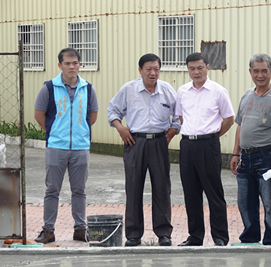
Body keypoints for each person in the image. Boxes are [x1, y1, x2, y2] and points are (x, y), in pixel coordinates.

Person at [107, 53, 180, 247]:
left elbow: (179, 114)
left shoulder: (167, 90)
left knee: (162, 189)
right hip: (135, 142)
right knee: (133, 188)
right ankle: (133, 234)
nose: (153, 73)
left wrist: (173, 131)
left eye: (156, 69)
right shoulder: (129, 89)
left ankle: (164, 233)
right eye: (148, 69)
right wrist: (120, 128)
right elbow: (112, 110)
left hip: (159, 142)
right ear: (140, 70)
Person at [33, 48, 99, 244]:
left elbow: (92, 116)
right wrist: (55, 132)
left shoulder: (87, 88)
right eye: (67, 63)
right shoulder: (49, 88)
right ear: (59, 65)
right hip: (56, 147)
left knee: (79, 190)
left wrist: (80, 133)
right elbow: (39, 115)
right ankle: (48, 230)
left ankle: (80, 229)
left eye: (75, 63)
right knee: (52, 190)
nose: (72, 66)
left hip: (80, 148)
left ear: (80, 64)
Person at [229, 53, 271, 245]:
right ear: (250, 72)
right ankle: (250, 239)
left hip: (268, 158)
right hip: (245, 159)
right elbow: (240, 125)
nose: (260, 75)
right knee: (245, 203)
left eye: (264, 71)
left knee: (270, 203)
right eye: (256, 71)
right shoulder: (246, 95)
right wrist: (235, 153)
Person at [175, 53, 235, 246]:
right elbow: (180, 117)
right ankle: (195, 236)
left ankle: (220, 237)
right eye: (192, 68)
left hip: (208, 145)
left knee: (214, 193)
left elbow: (229, 119)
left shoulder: (218, 91)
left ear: (207, 67)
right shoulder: (182, 91)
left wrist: (213, 135)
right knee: (191, 193)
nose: (196, 72)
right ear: (188, 70)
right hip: (187, 146)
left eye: (200, 67)